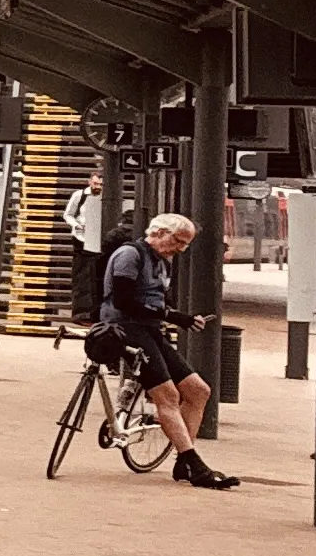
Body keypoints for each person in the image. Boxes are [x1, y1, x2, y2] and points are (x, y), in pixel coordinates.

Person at [99, 208, 237, 491]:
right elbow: (124, 301)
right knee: (168, 395)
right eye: (178, 241)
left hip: (150, 329)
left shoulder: (162, 262)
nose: (181, 249)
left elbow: (160, 303)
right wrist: (175, 317)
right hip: (126, 328)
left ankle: (182, 462)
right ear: (158, 232)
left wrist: (182, 317)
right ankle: (195, 464)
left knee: (199, 391)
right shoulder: (130, 255)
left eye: (185, 244)